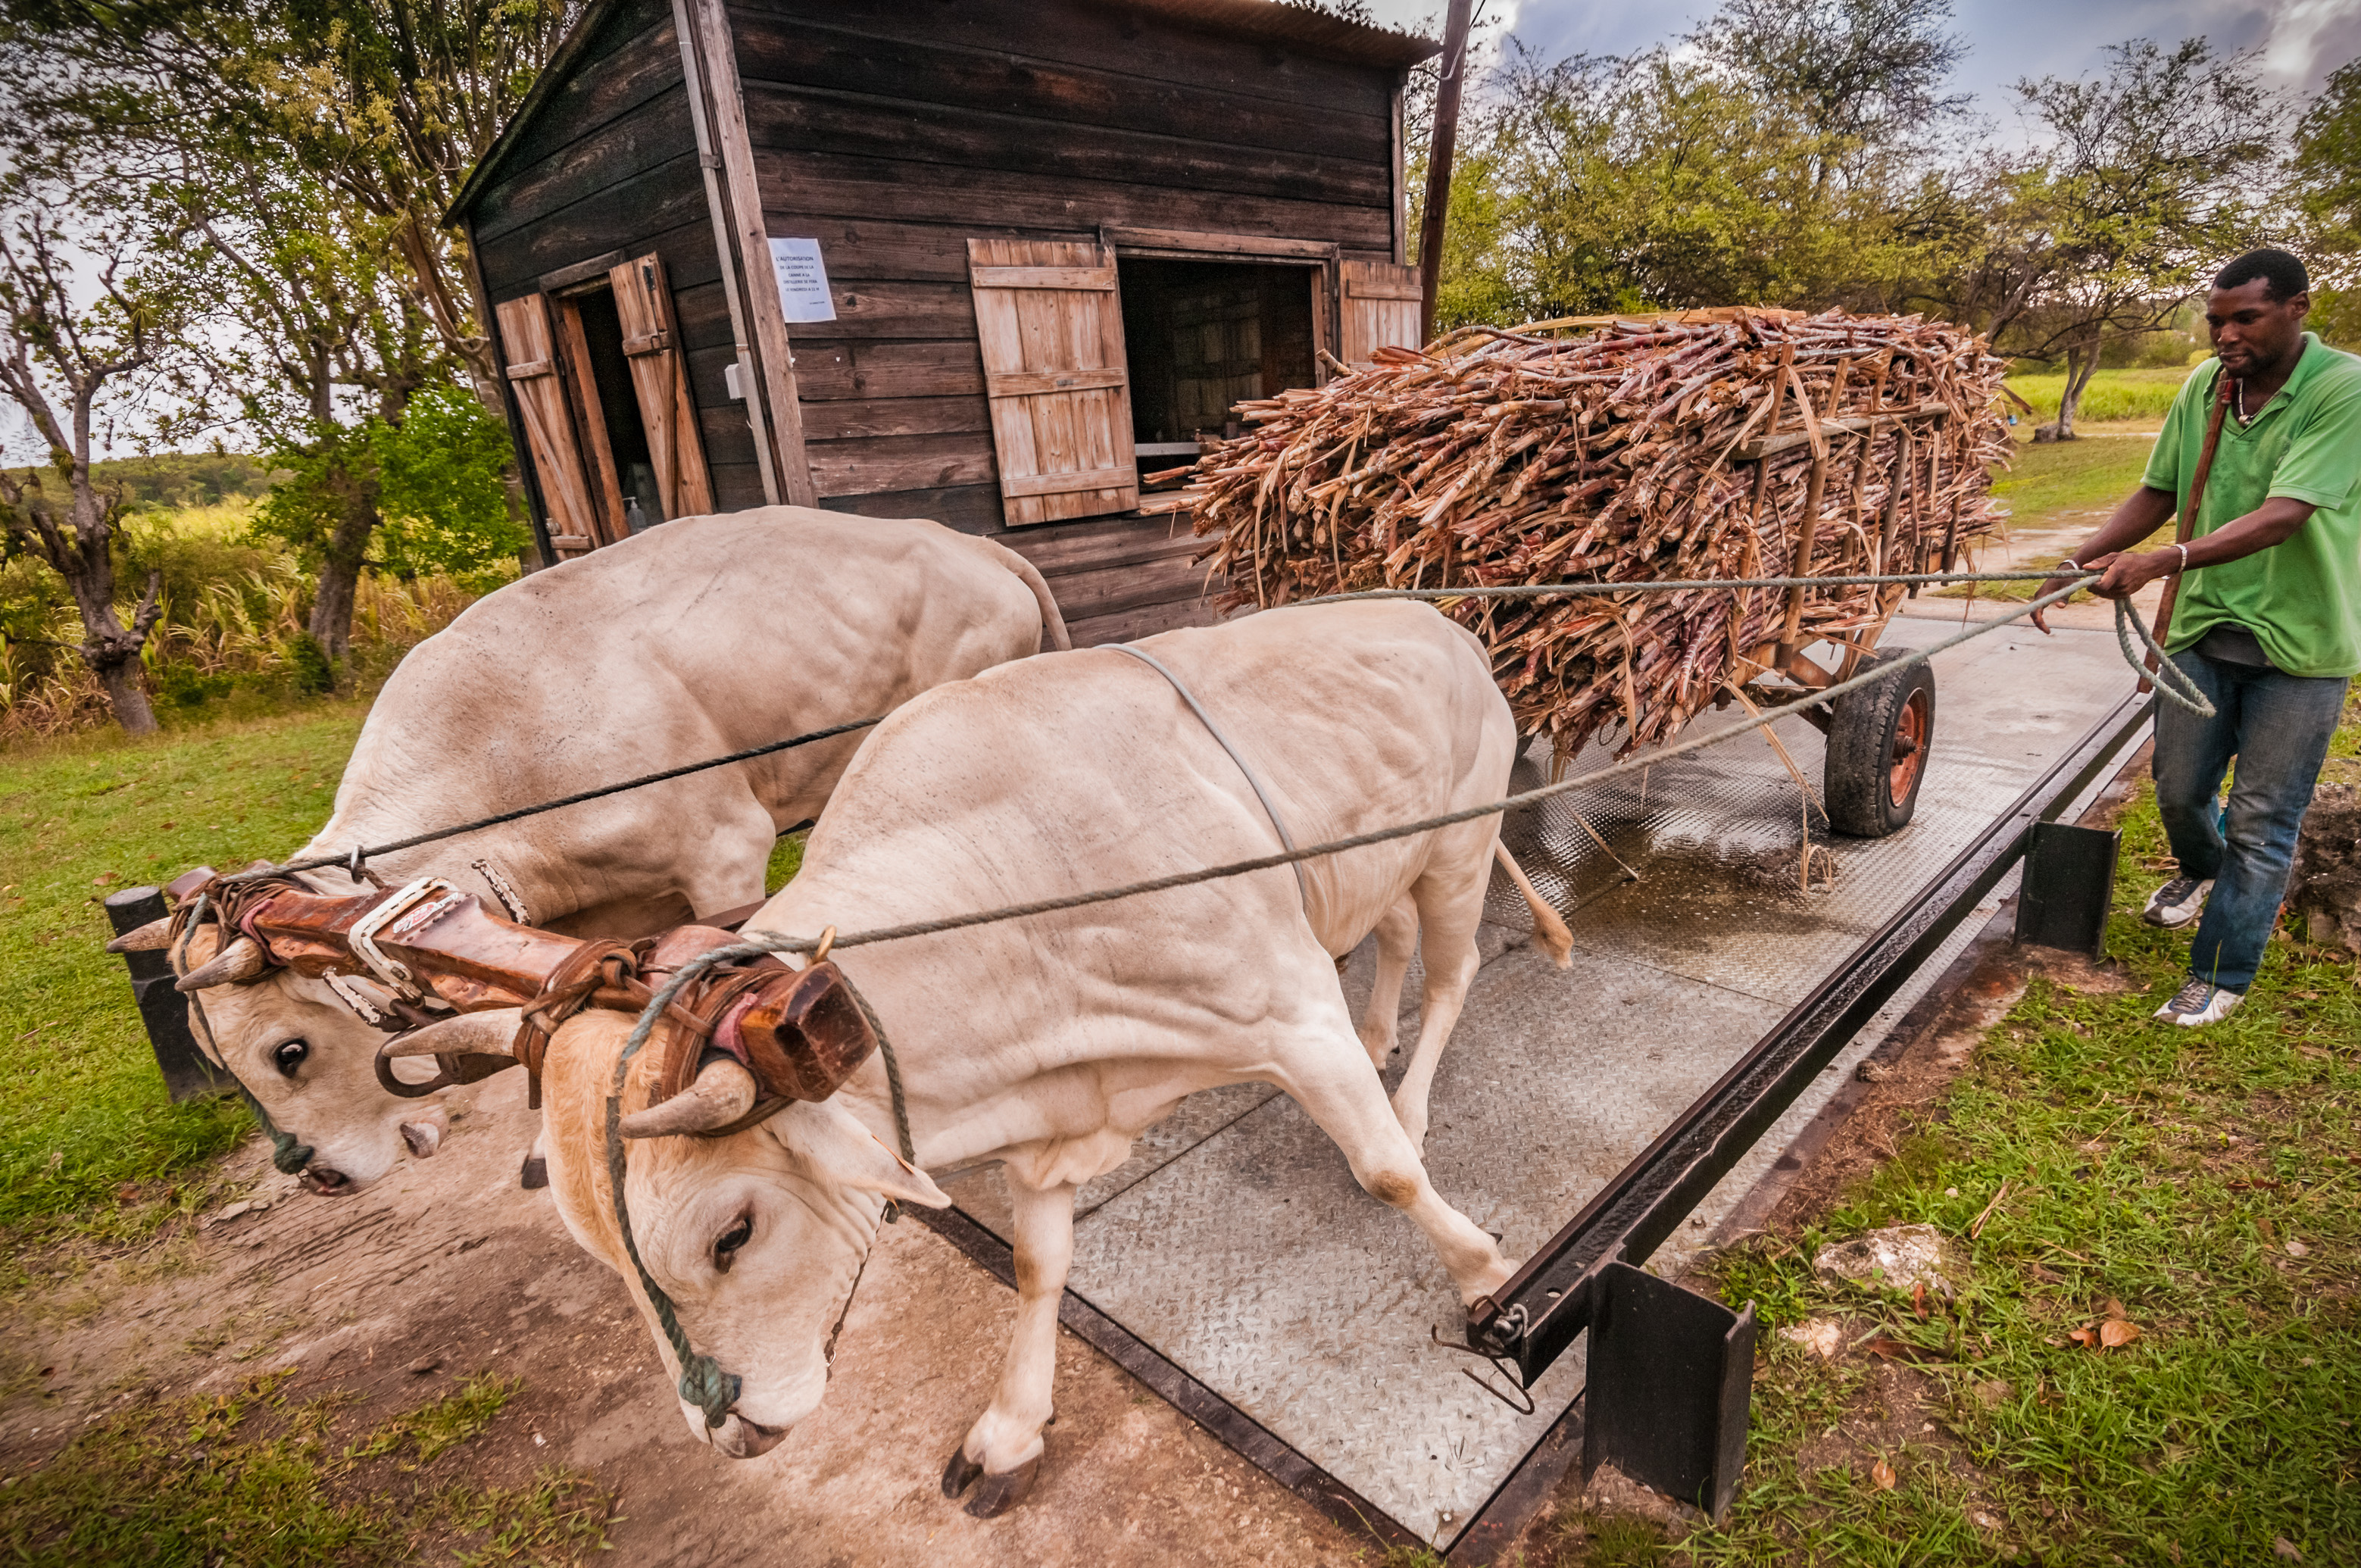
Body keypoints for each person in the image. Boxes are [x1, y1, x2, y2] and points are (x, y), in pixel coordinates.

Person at [2035, 249, 2361, 1026]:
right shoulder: (2206, 388)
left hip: (2302, 642)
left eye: (2244, 318)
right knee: (2181, 791)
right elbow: (2160, 489)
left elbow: (2287, 512)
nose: (2226, 335)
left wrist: (2161, 560)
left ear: (2297, 309)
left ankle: (2222, 971)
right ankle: (2203, 871)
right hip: (2203, 626)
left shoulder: (2342, 389)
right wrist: (2076, 559)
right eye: (2216, 321)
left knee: (2263, 819)